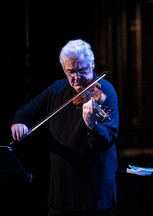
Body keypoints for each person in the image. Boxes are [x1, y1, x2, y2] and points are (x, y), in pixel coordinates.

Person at [10, 39, 119, 216]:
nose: (76, 77)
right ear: (64, 70)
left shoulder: (106, 92)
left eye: (81, 70)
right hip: (61, 193)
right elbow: (29, 109)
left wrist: (92, 126)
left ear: (92, 65)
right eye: (71, 71)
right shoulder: (57, 89)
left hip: (93, 194)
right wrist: (20, 121)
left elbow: (110, 136)